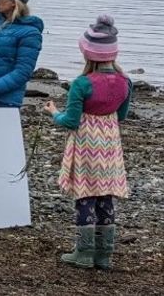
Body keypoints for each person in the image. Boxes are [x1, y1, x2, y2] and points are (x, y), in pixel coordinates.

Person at [44, 15, 132, 270]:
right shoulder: (125, 82)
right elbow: (122, 115)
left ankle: (83, 253)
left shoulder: (82, 83)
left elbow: (71, 121)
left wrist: (53, 112)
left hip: (86, 143)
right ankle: (104, 256)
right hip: (110, 142)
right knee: (106, 197)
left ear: (88, 53)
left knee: (85, 195)